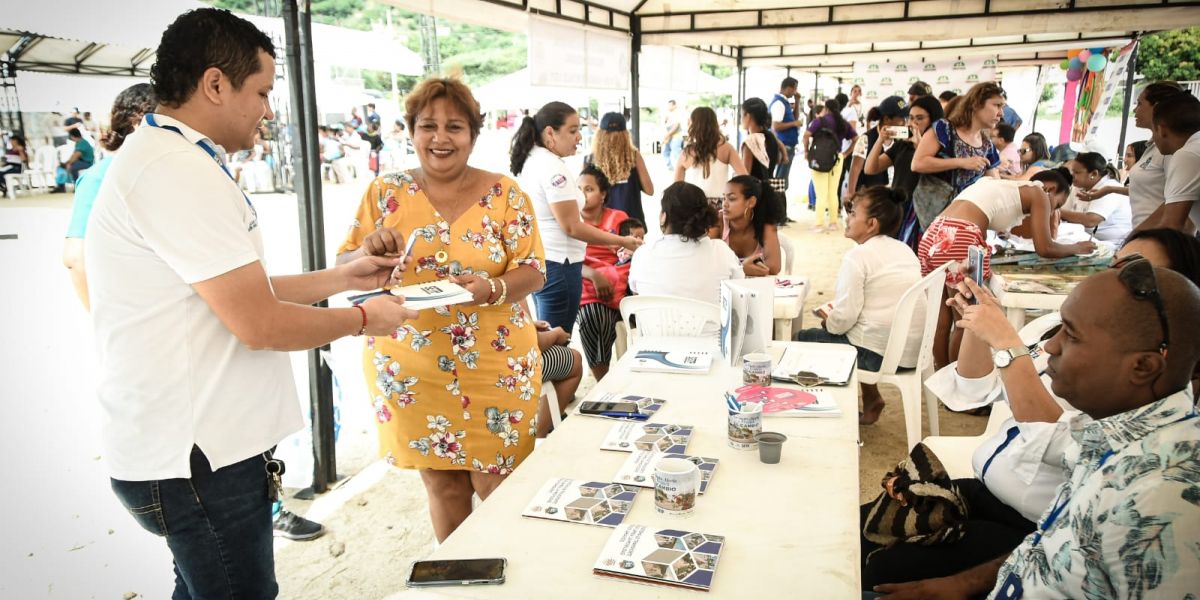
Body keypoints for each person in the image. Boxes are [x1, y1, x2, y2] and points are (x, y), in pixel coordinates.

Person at [86, 9, 416, 596]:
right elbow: (258, 322)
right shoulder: (172, 168)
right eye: (262, 92)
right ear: (215, 84)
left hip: (195, 451)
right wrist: (368, 319)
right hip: (196, 458)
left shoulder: (173, 157)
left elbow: (240, 289)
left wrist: (344, 276)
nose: (268, 110)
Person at [865, 231, 1200, 592]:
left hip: (1012, 517)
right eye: (1117, 262)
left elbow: (1051, 438)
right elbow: (1046, 547)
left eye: (1136, 271)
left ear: (1145, 365)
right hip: (987, 499)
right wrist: (982, 324)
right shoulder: (1107, 429)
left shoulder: (1162, 499)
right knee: (854, 533)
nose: (1054, 345)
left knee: (865, 571)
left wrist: (1008, 343)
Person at [338, 77, 546, 543]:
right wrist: (370, 248)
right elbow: (344, 266)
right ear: (411, 131)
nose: (440, 138)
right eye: (427, 125)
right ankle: (460, 581)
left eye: (455, 126)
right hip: (413, 365)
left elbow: (534, 270)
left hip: (498, 365)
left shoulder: (506, 194)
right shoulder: (383, 193)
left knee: (502, 486)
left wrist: (491, 287)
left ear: (473, 134)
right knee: (443, 484)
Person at [919, 171, 1094, 369]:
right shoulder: (1041, 194)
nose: (1054, 211)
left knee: (942, 318)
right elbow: (1045, 248)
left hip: (933, 234)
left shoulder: (1002, 187)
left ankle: (942, 377)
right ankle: (957, 386)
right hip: (959, 237)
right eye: (1058, 205)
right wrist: (1077, 248)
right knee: (965, 320)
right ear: (1051, 189)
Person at [511, 101, 641, 335]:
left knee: (550, 336)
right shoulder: (552, 168)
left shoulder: (534, 160)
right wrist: (622, 241)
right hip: (560, 265)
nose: (579, 137)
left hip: (545, 261)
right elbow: (571, 226)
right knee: (557, 341)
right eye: (572, 130)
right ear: (550, 132)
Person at [796, 186, 922, 424]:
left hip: (879, 356)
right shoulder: (904, 249)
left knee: (800, 339)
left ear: (871, 224)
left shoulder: (858, 257)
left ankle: (823, 413)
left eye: (853, 213)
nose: (848, 217)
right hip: (912, 351)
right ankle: (872, 398)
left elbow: (843, 319)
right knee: (863, 330)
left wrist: (828, 322)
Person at [63, 83, 158, 311]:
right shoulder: (101, 177)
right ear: (137, 123)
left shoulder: (163, 170)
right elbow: (76, 258)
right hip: (133, 313)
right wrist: (102, 319)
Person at [629, 181, 742, 308]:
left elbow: (636, 293)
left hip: (653, 328)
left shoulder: (642, 254)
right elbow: (739, 291)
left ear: (664, 217)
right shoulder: (721, 251)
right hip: (710, 328)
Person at [911, 81, 1004, 228]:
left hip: (963, 220)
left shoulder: (987, 145)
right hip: (929, 215)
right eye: (997, 105)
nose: (1001, 113)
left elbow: (993, 185)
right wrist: (961, 162)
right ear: (976, 104)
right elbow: (918, 163)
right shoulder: (944, 129)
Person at [576, 164, 634, 381]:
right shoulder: (571, 222)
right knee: (593, 313)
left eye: (589, 189)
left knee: (606, 310)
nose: (582, 194)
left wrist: (613, 275)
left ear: (603, 195)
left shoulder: (618, 218)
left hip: (617, 281)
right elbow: (566, 261)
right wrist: (593, 275)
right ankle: (603, 378)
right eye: (578, 189)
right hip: (585, 282)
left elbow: (632, 251)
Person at [866, 95, 944, 251]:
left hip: (923, 214)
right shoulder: (902, 145)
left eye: (919, 118)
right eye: (910, 118)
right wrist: (880, 140)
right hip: (898, 209)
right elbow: (870, 168)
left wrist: (921, 146)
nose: (913, 123)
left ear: (933, 120)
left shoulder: (942, 147)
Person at [1121, 81, 1185, 229]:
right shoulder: (1154, 146)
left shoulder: (1171, 149)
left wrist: (1137, 235)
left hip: (1158, 239)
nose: (1135, 110)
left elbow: (1176, 201)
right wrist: (1109, 190)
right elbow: (1150, 190)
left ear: (1157, 107)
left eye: (1140, 104)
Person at [1140, 91, 1200, 232]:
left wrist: (1131, 245)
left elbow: (1172, 226)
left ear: (1161, 130)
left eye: (1153, 132)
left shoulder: (1187, 154)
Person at [803, 98, 858, 232]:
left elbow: (806, 135)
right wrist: (845, 153)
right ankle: (833, 223)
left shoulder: (819, 121)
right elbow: (856, 139)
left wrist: (806, 151)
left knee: (821, 193)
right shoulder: (843, 123)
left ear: (826, 108)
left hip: (819, 158)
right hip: (837, 158)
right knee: (833, 192)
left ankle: (819, 224)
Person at [588, 111, 653, 224]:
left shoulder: (589, 160)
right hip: (630, 224)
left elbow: (583, 196)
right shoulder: (634, 156)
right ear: (625, 134)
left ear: (600, 135)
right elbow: (649, 190)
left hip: (601, 225)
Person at [674, 106, 747, 207]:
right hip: (720, 207)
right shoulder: (727, 148)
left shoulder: (687, 153)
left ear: (694, 125)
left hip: (694, 205)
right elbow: (745, 177)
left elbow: (676, 189)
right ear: (714, 124)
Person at [1060, 151, 1132, 241]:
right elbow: (1065, 211)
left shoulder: (1110, 188)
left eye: (1077, 172)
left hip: (1112, 244)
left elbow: (1091, 220)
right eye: (1072, 172)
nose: (1072, 176)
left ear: (1094, 174)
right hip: (1085, 238)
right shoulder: (1078, 186)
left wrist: (1056, 211)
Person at [721, 175, 784, 277]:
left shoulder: (766, 225)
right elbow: (705, 263)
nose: (724, 204)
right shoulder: (718, 222)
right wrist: (742, 269)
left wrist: (737, 270)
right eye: (723, 198)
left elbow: (774, 267)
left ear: (751, 202)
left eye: (731, 199)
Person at [847, 100, 903, 200]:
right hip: (869, 196)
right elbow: (855, 168)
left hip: (892, 197)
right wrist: (850, 194)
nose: (904, 122)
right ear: (887, 119)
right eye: (901, 118)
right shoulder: (866, 139)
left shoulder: (901, 141)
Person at [740, 97, 787, 192]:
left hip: (756, 195)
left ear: (748, 116)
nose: (741, 119)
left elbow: (745, 176)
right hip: (771, 193)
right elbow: (778, 160)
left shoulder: (750, 142)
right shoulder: (772, 137)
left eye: (741, 115)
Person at [770, 77, 804, 199]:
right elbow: (775, 125)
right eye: (794, 89)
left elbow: (794, 117)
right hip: (783, 146)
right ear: (789, 88)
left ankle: (780, 210)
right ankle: (778, 211)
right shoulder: (779, 103)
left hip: (787, 145)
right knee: (780, 180)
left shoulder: (784, 102)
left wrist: (797, 101)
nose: (795, 92)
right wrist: (794, 124)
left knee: (782, 180)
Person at [662, 99, 683, 170]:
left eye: (670, 105)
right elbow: (665, 124)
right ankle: (670, 167)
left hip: (676, 135)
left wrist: (668, 134)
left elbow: (676, 126)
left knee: (675, 153)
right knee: (665, 152)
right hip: (668, 135)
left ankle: (678, 168)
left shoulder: (677, 113)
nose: (668, 107)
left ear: (674, 105)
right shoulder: (667, 114)